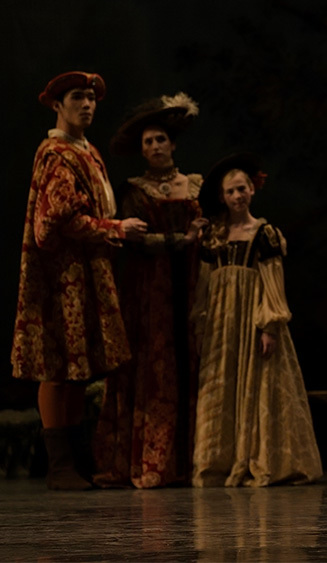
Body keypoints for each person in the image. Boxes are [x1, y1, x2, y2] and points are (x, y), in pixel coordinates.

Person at [11, 71, 148, 490]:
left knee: (77, 367)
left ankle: (73, 461)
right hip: (62, 275)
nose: (87, 104)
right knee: (58, 365)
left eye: (91, 98)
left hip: (85, 272)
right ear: (58, 104)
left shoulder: (83, 149)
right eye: (77, 97)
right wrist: (115, 228)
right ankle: (60, 465)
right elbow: (54, 220)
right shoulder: (57, 152)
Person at [91, 92, 208, 488]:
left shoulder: (195, 186)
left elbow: (209, 231)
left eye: (161, 139)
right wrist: (180, 239)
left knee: (192, 360)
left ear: (173, 144)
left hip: (191, 284)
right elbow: (133, 238)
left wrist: (199, 237)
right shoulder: (134, 189)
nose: (155, 146)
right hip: (149, 289)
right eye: (148, 142)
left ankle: (196, 460)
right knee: (154, 365)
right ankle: (152, 459)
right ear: (141, 151)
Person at [190, 153, 322, 487]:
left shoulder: (263, 233)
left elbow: (271, 281)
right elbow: (205, 282)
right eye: (231, 191)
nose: (237, 196)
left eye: (242, 189)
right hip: (222, 323)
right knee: (220, 387)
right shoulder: (215, 235)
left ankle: (261, 459)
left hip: (251, 317)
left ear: (252, 190)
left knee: (259, 386)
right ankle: (218, 462)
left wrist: (270, 325)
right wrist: (202, 321)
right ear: (222, 196)